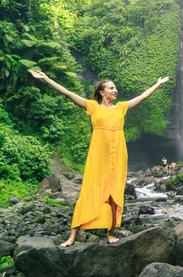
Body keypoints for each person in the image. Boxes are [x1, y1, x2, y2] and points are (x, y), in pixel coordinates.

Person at [29, 70, 169, 247]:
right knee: (88, 191)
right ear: (102, 92)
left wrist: (157, 84)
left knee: (114, 195)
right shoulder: (92, 107)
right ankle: (72, 236)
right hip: (99, 155)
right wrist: (47, 78)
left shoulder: (121, 107)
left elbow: (142, 97)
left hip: (118, 155)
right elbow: (68, 93)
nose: (115, 90)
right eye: (111, 88)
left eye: (115, 87)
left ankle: (110, 234)